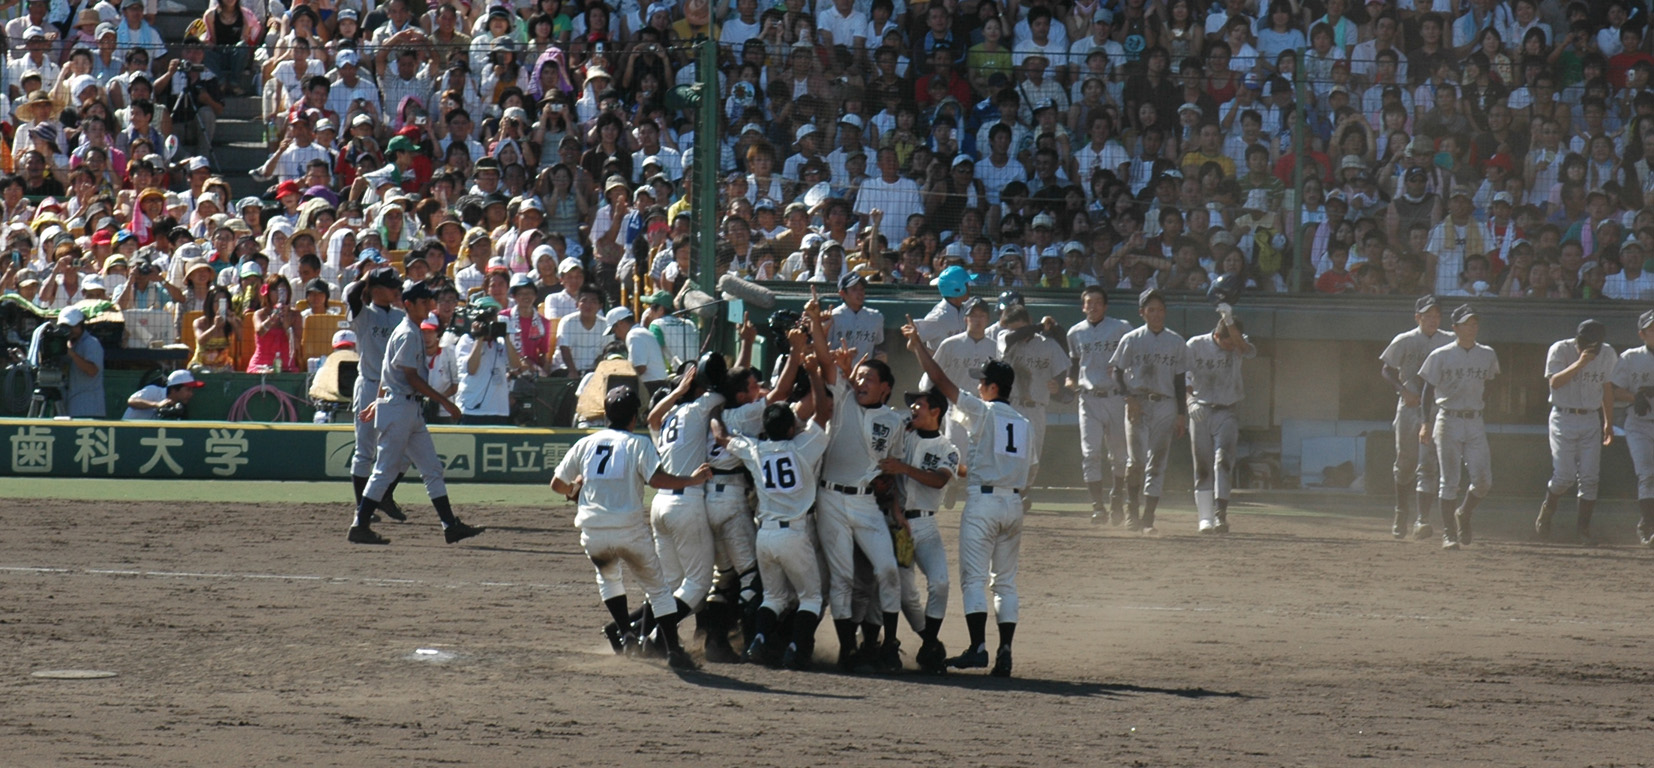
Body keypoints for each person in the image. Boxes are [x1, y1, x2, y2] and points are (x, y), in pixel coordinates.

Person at [901, 317, 1030, 678]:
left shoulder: (982, 410)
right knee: (1005, 582)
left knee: (974, 580)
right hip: (1014, 503)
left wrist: (918, 349)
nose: (978, 386)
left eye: (981, 382)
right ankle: (1005, 651)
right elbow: (1026, 468)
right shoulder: (1024, 422)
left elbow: (942, 382)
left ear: (990, 387)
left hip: (984, 503)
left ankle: (978, 647)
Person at [551, 384, 713, 670]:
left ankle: (626, 633)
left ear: (606, 415)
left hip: (593, 530)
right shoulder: (639, 444)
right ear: (634, 418)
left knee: (609, 578)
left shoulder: (586, 443)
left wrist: (573, 492)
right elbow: (658, 480)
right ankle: (673, 650)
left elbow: (556, 484)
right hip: (629, 529)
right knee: (659, 589)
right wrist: (690, 480)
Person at [712, 331, 830, 670]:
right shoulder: (802, 447)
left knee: (774, 597)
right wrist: (817, 376)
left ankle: (758, 641)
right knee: (810, 597)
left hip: (765, 535)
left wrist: (714, 409)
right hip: (795, 533)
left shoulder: (756, 449)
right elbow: (822, 413)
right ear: (792, 428)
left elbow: (722, 437)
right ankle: (795, 647)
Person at [805, 287, 907, 674]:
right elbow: (825, 358)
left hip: (866, 502)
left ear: (885, 388)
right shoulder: (844, 397)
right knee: (843, 578)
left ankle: (888, 644)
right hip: (831, 498)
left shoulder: (895, 421)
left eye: (868, 378)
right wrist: (817, 322)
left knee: (887, 570)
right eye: (858, 376)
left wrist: (896, 508)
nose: (860, 382)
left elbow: (890, 470)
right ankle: (848, 651)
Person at [347, 280, 486, 546]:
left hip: (405, 408)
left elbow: (389, 374)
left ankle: (450, 525)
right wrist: (445, 402)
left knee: (432, 468)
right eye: (423, 302)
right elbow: (410, 377)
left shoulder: (410, 329)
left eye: (428, 301)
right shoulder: (408, 333)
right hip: (401, 408)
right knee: (384, 470)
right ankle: (360, 525)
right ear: (408, 304)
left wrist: (378, 401)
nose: (428, 306)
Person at [640, 358, 727, 661]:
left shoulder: (671, 415)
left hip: (660, 505)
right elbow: (722, 387)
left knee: (670, 584)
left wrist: (678, 391)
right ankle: (653, 635)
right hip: (686, 502)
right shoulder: (700, 407)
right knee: (698, 583)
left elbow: (651, 417)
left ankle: (642, 635)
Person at [877, 386, 957, 675]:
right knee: (905, 592)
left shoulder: (948, 449)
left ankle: (930, 642)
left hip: (925, 525)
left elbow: (938, 481)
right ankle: (898, 643)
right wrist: (896, 508)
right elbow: (888, 475)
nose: (912, 409)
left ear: (935, 411)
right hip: (898, 524)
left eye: (919, 405)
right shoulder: (903, 435)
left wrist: (904, 468)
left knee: (940, 583)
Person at [1417, 304, 1501, 551]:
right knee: (1449, 480)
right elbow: (1427, 392)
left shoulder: (1487, 354)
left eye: (1474, 323)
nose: (1472, 327)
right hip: (1448, 418)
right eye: (1466, 323)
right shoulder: (1441, 355)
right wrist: (1425, 423)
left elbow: (1491, 383)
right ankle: (1449, 535)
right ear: (1454, 328)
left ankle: (1463, 513)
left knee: (1483, 480)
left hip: (1475, 419)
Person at [1109, 289, 1190, 534]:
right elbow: (1117, 372)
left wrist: (1180, 413)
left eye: (1160, 309)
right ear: (1142, 312)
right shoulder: (1132, 338)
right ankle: (1131, 511)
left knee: (1157, 462)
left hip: (1165, 403)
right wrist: (1128, 397)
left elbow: (1179, 380)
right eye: (1151, 309)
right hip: (1139, 403)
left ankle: (1148, 517)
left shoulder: (1176, 341)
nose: (1156, 314)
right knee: (1136, 461)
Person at [1536, 320, 1618, 545]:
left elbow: (1607, 388)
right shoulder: (1560, 349)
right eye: (1584, 343)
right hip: (1563, 416)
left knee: (1591, 478)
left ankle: (1583, 531)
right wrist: (1580, 363)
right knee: (1564, 477)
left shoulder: (1608, 353)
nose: (1589, 348)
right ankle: (1547, 511)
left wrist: (1608, 423)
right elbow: (1555, 382)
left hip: (1591, 417)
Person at [1379, 295, 1454, 539]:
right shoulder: (1405, 340)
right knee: (1405, 463)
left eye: (1436, 315)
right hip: (1409, 406)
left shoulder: (1448, 340)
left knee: (1428, 464)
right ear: (1417, 317)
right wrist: (1402, 390)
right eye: (1427, 315)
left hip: (1435, 409)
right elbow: (1386, 369)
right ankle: (1401, 511)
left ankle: (1422, 520)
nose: (1433, 319)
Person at [344, 264, 410, 522]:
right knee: (365, 451)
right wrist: (368, 277)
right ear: (376, 289)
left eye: (397, 286)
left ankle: (384, 495)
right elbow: (351, 295)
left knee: (404, 452)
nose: (396, 290)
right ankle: (362, 508)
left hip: (395, 389)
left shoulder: (399, 316)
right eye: (391, 286)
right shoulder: (364, 314)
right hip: (370, 385)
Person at [1184, 306, 1255, 533]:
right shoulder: (1195, 345)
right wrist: (1189, 401)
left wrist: (1230, 319)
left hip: (1227, 408)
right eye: (1227, 342)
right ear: (1217, 335)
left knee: (1223, 460)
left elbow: (1244, 347)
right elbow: (1183, 378)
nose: (1231, 347)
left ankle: (1220, 515)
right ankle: (1204, 517)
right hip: (1201, 408)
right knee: (1203, 464)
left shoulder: (1238, 345)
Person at [1067, 285, 1132, 524]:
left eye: (1097, 302)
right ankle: (1098, 506)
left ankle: (1116, 497)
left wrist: (1122, 368)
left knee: (1119, 455)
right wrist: (1069, 381)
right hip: (1088, 398)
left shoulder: (1121, 328)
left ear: (1105, 305)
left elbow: (1133, 356)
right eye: (1088, 302)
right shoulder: (1075, 332)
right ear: (1083, 306)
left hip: (1115, 397)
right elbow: (1074, 366)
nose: (1092, 306)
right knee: (1090, 453)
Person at [995, 304, 1068, 513]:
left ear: (1028, 322)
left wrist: (1058, 383)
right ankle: (1011, 494)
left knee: (1033, 456)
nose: (1017, 332)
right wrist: (1037, 326)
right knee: (1008, 454)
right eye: (1013, 328)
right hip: (1011, 405)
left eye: (1021, 327)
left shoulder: (1047, 344)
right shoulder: (1005, 337)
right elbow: (1012, 338)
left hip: (1036, 406)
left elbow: (1062, 367)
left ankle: (1024, 491)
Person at [1611, 310, 1654, 548]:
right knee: (1647, 473)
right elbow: (1613, 389)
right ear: (1642, 334)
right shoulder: (1630, 358)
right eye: (1652, 328)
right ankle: (1647, 526)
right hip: (1639, 425)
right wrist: (1634, 396)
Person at [453, 296, 520, 425]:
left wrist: (505, 336)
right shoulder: (467, 340)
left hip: (499, 410)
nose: (491, 322)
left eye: (494, 318)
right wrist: (479, 338)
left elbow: (516, 365)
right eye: (488, 319)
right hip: (472, 409)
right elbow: (471, 369)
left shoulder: (500, 342)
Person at [27, 307, 104, 418]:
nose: (69, 331)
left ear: (81, 325)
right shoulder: (65, 344)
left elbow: (92, 371)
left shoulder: (91, 343)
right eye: (65, 327)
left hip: (88, 408)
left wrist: (71, 353)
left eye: (72, 327)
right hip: (69, 404)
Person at [825, 272, 884, 362]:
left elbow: (878, 344)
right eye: (854, 289)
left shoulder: (876, 317)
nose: (860, 293)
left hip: (864, 372)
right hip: (837, 372)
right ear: (842, 293)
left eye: (862, 289)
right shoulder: (833, 317)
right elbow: (824, 349)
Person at [123, 369, 205, 420]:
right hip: (128, 434)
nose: (191, 394)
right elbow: (131, 401)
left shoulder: (178, 408)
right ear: (174, 389)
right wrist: (157, 404)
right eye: (188, 389)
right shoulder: (154, 390)